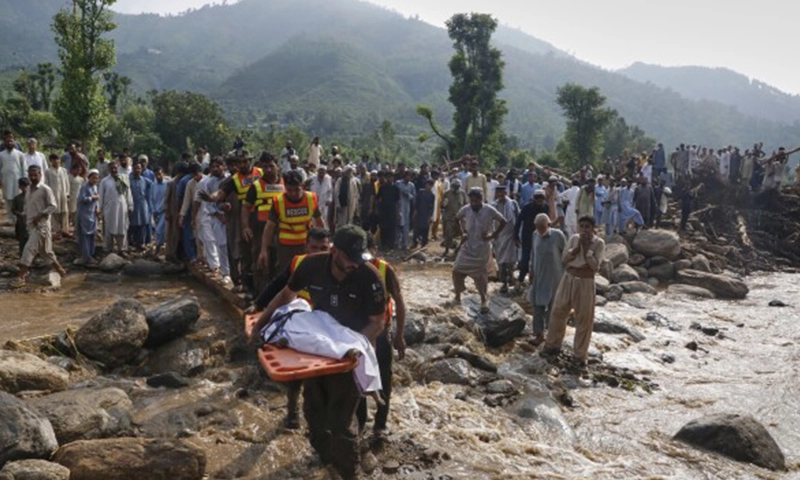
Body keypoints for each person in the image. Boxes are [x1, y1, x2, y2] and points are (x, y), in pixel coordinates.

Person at [253, 225, 386, 480]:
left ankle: (349, 472)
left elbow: (377, 322)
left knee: (341, 423)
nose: (354, 265)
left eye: (359, 259)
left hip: (349, 352)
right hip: (317, 349)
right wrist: (260, 325)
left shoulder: (369, 278)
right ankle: (326, 464)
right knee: (314, 415)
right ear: (334, 251)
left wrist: (354, 350)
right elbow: (286, 296)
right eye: (350, 258)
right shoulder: (311, 266)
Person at [249, 228, 332, 429]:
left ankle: (322, 418)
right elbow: (277, 286)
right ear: (306, 246)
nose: (319, 252)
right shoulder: (298, 263)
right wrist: (258, 305)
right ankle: (293, 410)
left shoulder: (336, 267)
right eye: (314, 247)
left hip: (324, 324)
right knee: (297, 369)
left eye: (323, 247)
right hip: (298, 320)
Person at [356, 236, 406, 436]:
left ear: (374, 249)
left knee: (384, 377)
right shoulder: (349, 267)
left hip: (382, 330)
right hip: (357, 335)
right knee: (357, 378)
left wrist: (399, 335)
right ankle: (359, 422)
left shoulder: (385, 270)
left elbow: (399, 303)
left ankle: (380, 423)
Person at [541, 216, 605, 366]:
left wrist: (588, 251)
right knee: (558, 311)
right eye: (581, 226)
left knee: (584, 319)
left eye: (587, 227)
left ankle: (580, 355)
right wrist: (576, 250)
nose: (584, 230)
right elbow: (564, 259)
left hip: (585, 282)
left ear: (593, 228)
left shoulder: (599, 243)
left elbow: (595, 266)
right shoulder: (574, 239)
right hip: (569, 278)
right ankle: (552, 345)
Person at [258, 170, 324, 276]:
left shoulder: (311, 199)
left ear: (302, 186)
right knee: (285, 274)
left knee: (305, 273)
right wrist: (263, 250)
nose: (293, 194)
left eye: (297, 190)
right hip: (285, 247)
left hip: (305, 244)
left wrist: (323, 244)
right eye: (289, 190)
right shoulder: (278, 202)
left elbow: (319, 222)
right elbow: (269, 227)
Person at [453, 188, 507, 313]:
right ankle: (457, 295)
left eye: (476, 201)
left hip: (482, 247)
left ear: (481, 199)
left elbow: (503, 221)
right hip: (467, 245)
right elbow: (456, 218)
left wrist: (492, 235)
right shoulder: (466, 209)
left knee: (480, 275)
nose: (474, 203)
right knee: (457, 269)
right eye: (472, 200)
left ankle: (483, 299)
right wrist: (462, 233)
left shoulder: (489, 210)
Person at [12, 165, 67, 288]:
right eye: (31, 175)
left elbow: (53, 206)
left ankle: (21, 277)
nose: (33, 177)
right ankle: (61, 271)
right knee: (46, 252)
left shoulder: (45, 189)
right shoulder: (28, 190)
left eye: (35, 175)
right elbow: (27, 207)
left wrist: (40, 215)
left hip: (41, 226)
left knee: (28, 249)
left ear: (40, 174)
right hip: (31, 226)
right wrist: (23, 215)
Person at [527, 213, 567, 346]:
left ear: (549, 225)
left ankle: (551, 336)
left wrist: (567, 276)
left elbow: (566, 255)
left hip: (554, 277)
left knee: (552, 307)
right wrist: (531, 270)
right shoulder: (534, 235)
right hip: (539, 276)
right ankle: (538, 334)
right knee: (537, 305)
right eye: (538, 228)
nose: (540, 231)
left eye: (543, 228)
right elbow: (533, 254)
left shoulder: (558, 236)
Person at [197, 158, 231, 284]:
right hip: (217, 218)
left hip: (231, 217)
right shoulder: (209, 183)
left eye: (218, 166)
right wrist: (218, 214)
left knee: (233, 245)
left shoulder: (230, 180)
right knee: (221, 244)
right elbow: (207, 203)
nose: (215, 169)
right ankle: (226, 273)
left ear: (224, 166)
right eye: (213, 167)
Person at [515, 189, 549, 287]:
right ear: (534, 198)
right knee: (525, 259)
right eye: (537, 198)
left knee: (540, 258)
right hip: (527, 236)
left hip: (541, 236)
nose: (539, 200)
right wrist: (516, 235)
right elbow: (518, 221)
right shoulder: (527, 207)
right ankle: (521, 278)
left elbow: (547, 222)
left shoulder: (545, 207)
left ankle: (537, 280)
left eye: (541, 198)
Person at [98, 162, 133, 256]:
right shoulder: (104, 181)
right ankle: (107, 248)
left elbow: (128, 194)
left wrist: (130, 205)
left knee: (122, 228)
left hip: (122, 207)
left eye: (115, 168)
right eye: (112, 168)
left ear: (118, 168)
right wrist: (99, 209)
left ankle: (122, 249)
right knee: (108, 228)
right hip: (109, 209)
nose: (114, 170)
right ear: (109, 169)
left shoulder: (123, 179)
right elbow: (101, 196)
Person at [492, 185, 520, 294]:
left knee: (511, 260)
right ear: (497, 194)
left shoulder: (513, 204)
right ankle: (504, 283)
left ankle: (511, 277)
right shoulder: (494, 205)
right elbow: (491, 220)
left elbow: (518, 218)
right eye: (499, 193)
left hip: (511, 235)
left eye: (503, 193)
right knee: (501, 260)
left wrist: (517, 235)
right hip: (499, 236)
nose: (501, 195)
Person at [179, 163, 204, 262]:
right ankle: (200, 257)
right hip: (196, 212)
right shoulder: (190, 183)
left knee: (208, 237)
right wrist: (182, 215)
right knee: (197, 236)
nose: (195, 177)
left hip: (207, 211)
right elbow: (186, 200)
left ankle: (209, 260)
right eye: (193, 175)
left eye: (197, 174)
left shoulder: (207, 181)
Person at [75, 170, 100, 265]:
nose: (95, 180)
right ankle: (86, 256)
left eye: (97, 178)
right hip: (84, 214)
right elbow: (81, 199)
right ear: (89, 178)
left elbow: (96, 200)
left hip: (92, 214)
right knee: (84, 235)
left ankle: (91, 253)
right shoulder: (84, 187)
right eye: (93, 178)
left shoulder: (95, 187)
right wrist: (92, 198)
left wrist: (97, 207)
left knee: (91, 234)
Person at [1, 131, 27, 225]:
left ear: (14, 142)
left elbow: (24, 168)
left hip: (18, 181)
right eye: (7, 141)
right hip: (6, 180)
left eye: (11, 141)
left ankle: (19, 217)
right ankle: (10, 218)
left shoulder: (20, 154)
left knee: (18, 198)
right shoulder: (1, 155)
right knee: (8, 199)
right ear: (4, 142)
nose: (9, 143)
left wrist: (24, 181)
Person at [164, 162, 187, 262]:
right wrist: (167, 212)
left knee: (182, 234)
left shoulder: (185, 182)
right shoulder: (171, 183)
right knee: (173, 234)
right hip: (173, 211)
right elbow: (166, 199)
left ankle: (181, 255)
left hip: (183, 212)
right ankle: (171, 254)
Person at [129, 162, 154, 251]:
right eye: (135, 168)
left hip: (143, 204)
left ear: (141, 170)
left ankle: (142, 243)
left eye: (139, 168)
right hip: (133, 204)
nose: (137, 170)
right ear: (132, 169)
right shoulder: (129, 180)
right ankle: (132, 242)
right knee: (132, 224)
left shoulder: (145, 180)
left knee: (143, 224)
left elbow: (154, 184)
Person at [45, 154, 70, 239]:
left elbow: (67, 182)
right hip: (53, 194)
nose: (56, 161)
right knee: (54, 213)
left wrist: (67, 193)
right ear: (51, 161)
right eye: (54, 159)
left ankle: (65, 230)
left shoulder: (63, 170)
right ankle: (57, 231)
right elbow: (46, 184)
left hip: (63, 194)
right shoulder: (48, 171)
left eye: (57, 159)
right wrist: (48, 195)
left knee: (64, 212)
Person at [441, 179, 467, 256]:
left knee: (463, 234)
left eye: (457, 187)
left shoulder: (462, 193)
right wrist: (444, 204)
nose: (456, 189)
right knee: (448, 234)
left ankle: (460, 250)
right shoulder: (447, 194)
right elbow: (442, 206)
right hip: (449, 217)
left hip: (460, 217)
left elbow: (465, 204)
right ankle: (447, 250)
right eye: (454, 187)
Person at [376, 171, 400, 250]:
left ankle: (391, 244)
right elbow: (377, 198)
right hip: (383, 210)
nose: (389, 178)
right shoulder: (382, 187)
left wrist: (398, 212)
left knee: (392, 227)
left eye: (390, 177)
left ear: (393, 178)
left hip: (392, 210)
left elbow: (398, 200)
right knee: (383, 227)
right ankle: (383, 244)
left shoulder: (396, 188)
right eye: (387, 177)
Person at [395, 171, 416, 250]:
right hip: (398, 206)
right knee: (398, 225)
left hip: (406, 208)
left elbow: (413, 196)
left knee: (406, 227)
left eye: (409, 176)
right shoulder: (398, 183)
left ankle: (405, 244)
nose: (408, 178)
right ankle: (397, 243)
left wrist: (407, 194)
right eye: (407, 176)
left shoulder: (411, 185)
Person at [413, 179, 435, 248]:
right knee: (416, 229)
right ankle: (415, 243)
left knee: (425, 229)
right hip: (419, 212)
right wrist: (415, 211)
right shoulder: (420, 192)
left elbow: (432, 206)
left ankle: (424, 243)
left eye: (430, 185)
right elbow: (416, 202)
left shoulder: (432, 195)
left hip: (426, 214)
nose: (428, 186)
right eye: (427, 184)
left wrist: (430, 216)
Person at [152, 167, 168, 255]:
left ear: (163, 174)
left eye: (159, 174)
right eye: (156, 174)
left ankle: (158, 247)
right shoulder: (153, 185)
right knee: (158, 230)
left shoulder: (167, 184)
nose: (158, 176)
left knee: (160, 230)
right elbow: (151, 198)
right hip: (156, 211)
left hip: (164, 210)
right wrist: (153, 210)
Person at [12, 178, 29, 256]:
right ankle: (22, 257)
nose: (24, 188)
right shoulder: (17, 198)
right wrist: (20, 213)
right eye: (22, 187)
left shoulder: (33, 197)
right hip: (21, 223)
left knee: (31, 241)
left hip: (31, 222)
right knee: (22, 241)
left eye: (26, 186)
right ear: (19, 187)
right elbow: (13, 210)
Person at [68, 162, 85, 231]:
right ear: (73, 170)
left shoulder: (81, 179)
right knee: (73, 213)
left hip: (79, 199)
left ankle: (78, 228)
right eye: (77, 170)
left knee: (79, 214)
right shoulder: (68, 178)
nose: (79, 171)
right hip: (71, 198)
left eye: (80, 170)